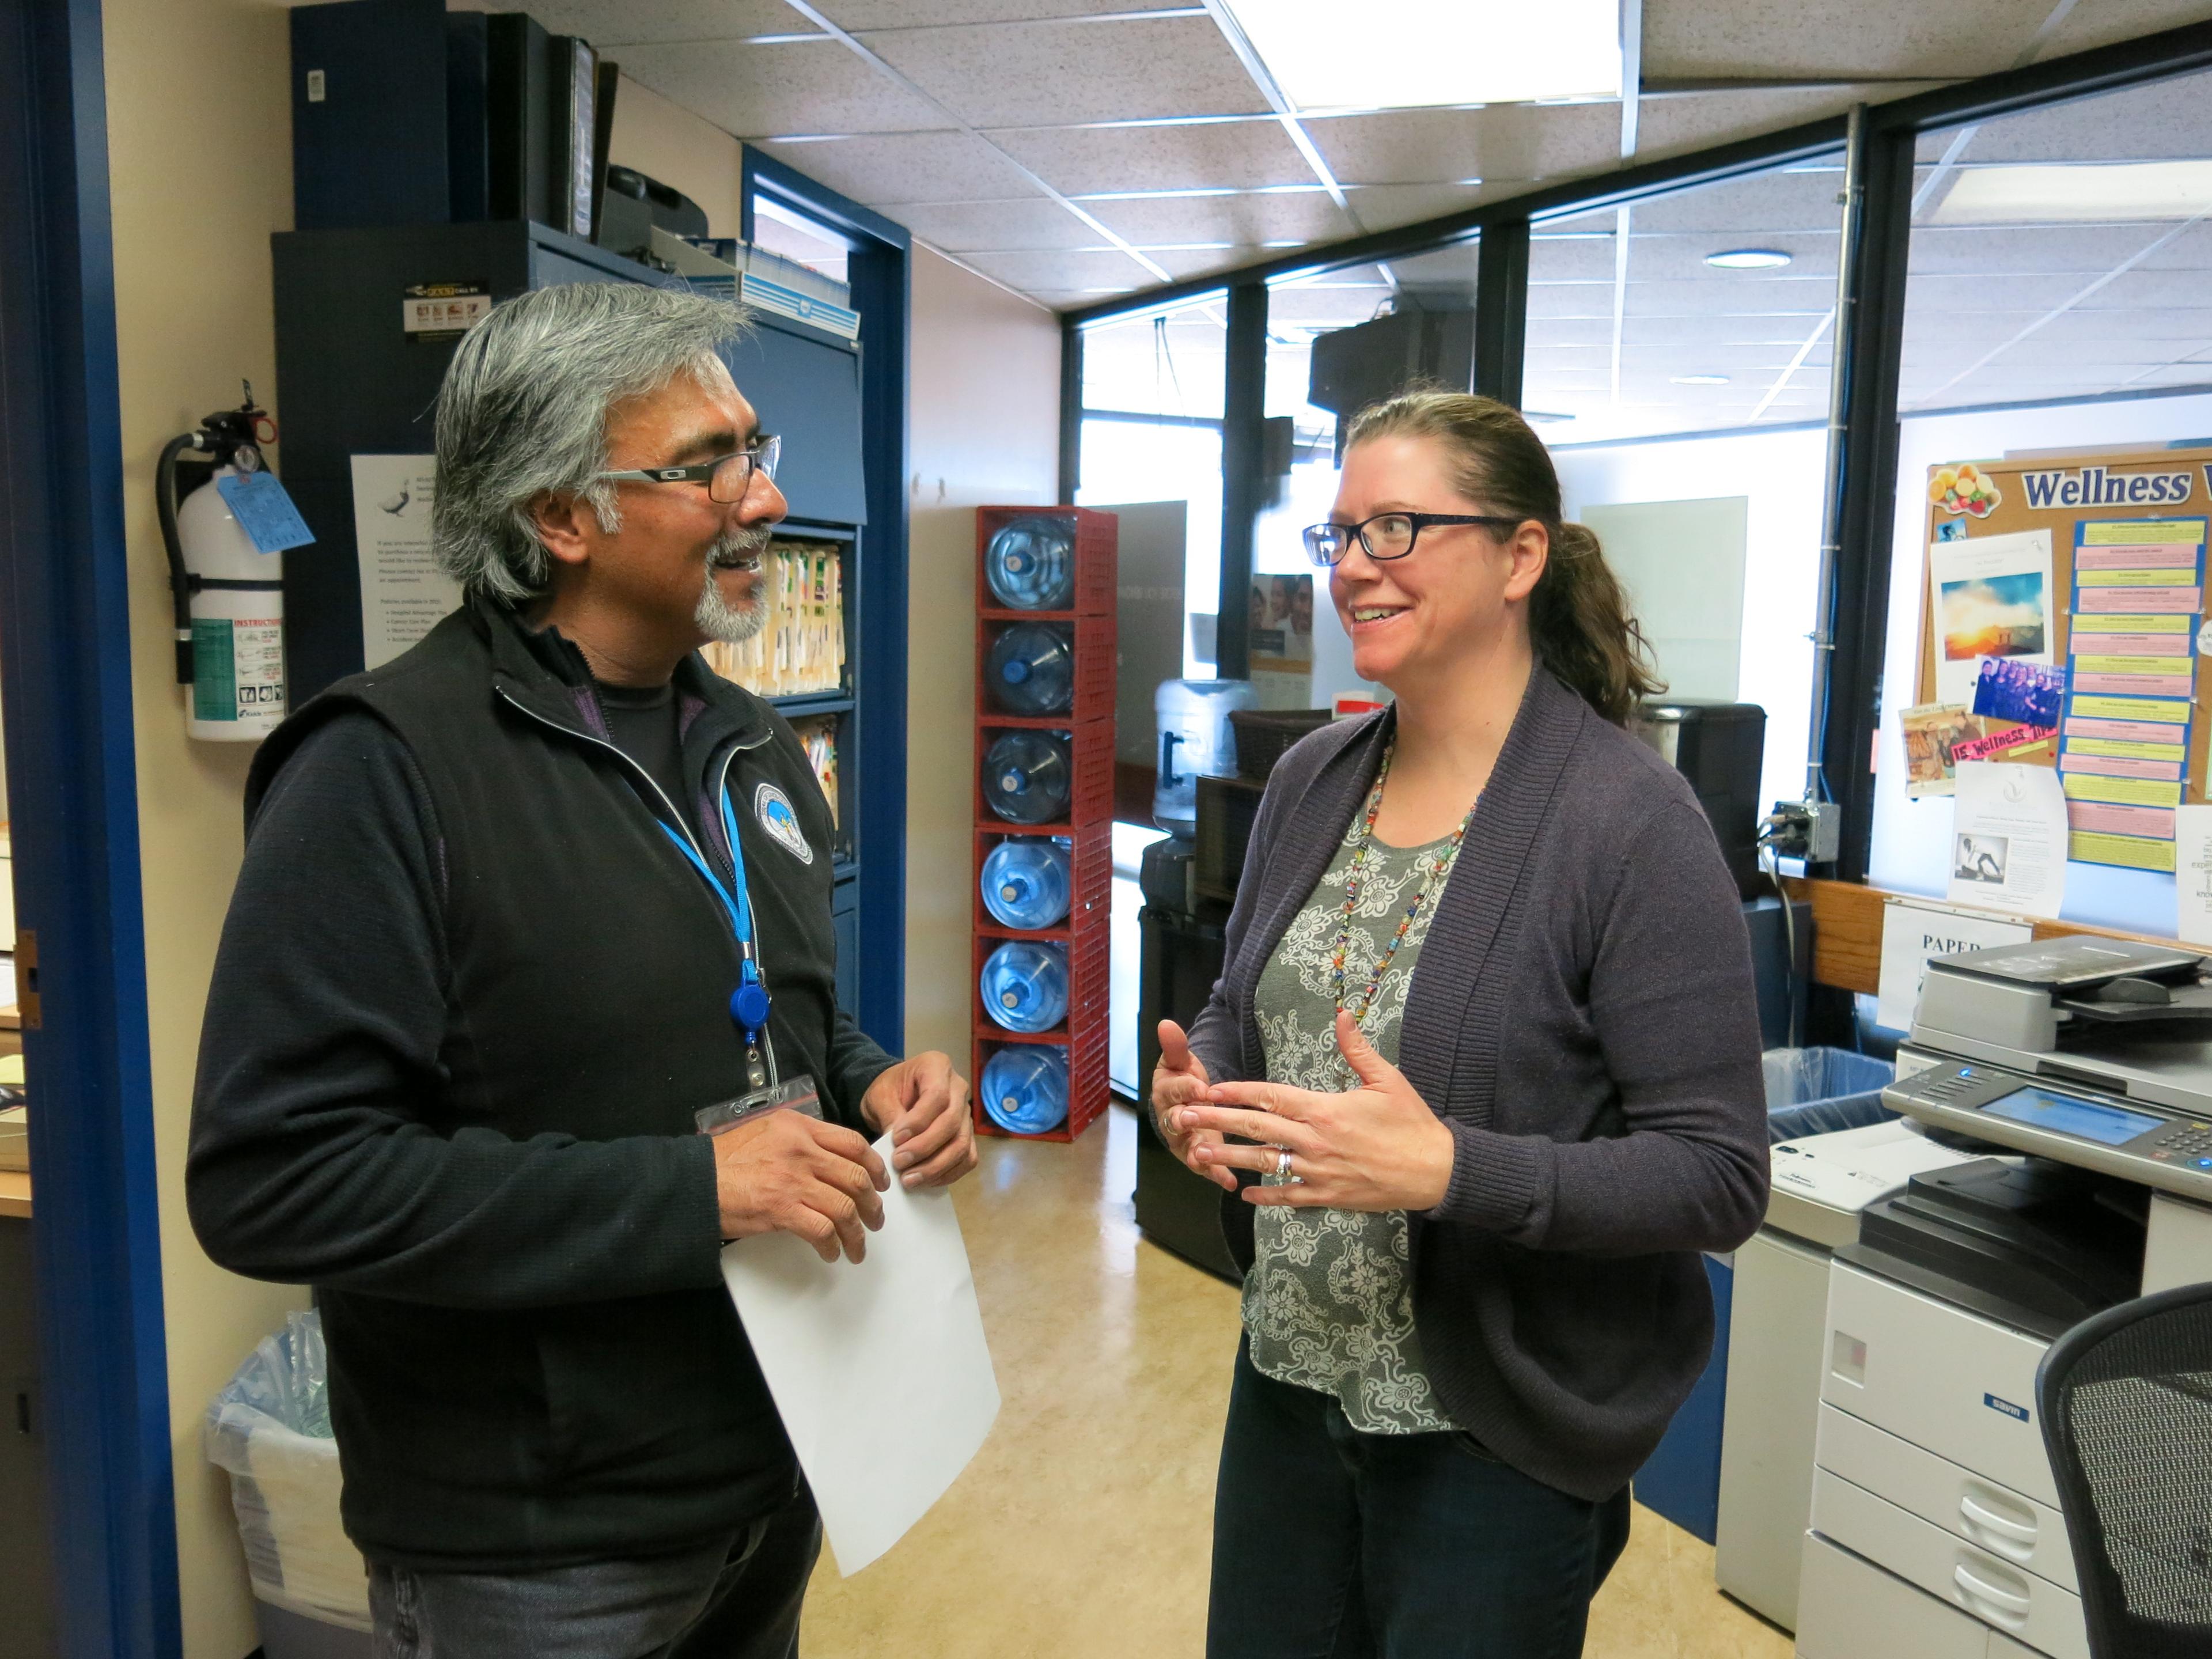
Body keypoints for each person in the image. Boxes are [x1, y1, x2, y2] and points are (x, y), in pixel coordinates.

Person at [188, 283, 976, 1659]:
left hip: (775, 1464)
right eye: (706, 465)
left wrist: (873, 1086)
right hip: (541, 1552)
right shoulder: (382, 771)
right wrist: (694, 1192)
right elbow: (275, 1178)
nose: (763, 497)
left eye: (757, 447)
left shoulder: (753, 743)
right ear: (562, 517)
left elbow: (776, 1024)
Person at [1151, 389, 1768, 1657]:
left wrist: (1447, 1170)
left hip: (1491, 1431)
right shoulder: (1319, 777)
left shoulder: (1629, 824)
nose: (1355, 569)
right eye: (1339, 536)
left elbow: (1718, 1177)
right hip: (1289, 1376)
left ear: (1521, 556)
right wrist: (1202, 1084)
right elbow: (1239, 1007)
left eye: (1398, 528)